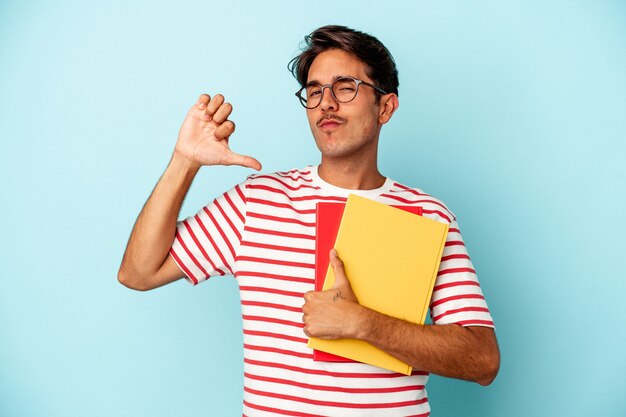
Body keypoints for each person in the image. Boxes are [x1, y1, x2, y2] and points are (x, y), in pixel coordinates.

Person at [118, 25, 500, 417]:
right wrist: (185, 161)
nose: (326, 104)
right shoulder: (256, 202)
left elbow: (482, 360)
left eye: (345, 87)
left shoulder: (431, 216)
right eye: (315, 91)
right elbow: (138, 272)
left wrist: (363, 323)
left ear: (385, 107)